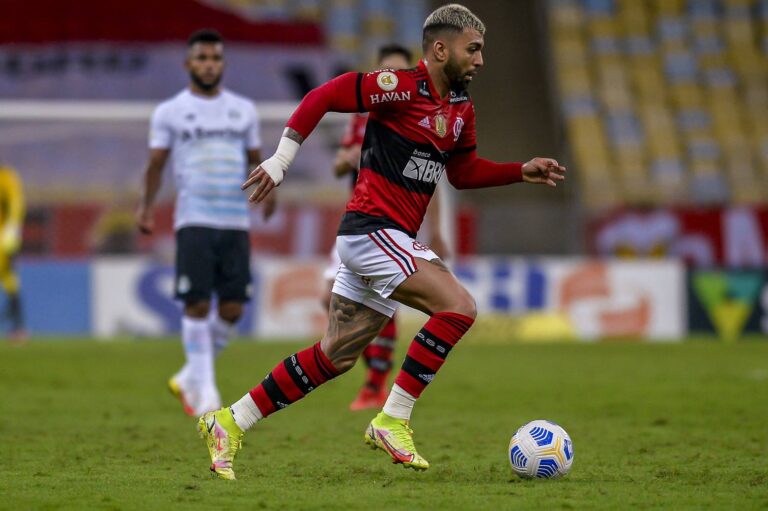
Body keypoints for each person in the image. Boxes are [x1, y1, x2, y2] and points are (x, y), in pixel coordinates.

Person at [200, 4, 565, 480]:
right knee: (459, 307)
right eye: (472, 49)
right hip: (373, 230)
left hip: (385, 240)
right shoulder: (399, 87)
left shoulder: (460, 109)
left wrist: (520, 171)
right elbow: (324, 95)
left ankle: (229, 421)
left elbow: (462, 172)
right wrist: (281, 160)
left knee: (335, 356)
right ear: (440, 48)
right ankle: (393, 418)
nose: (480, 60)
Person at [137, 29, 275, 416]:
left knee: (232, 309)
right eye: (201, 58)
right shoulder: (170, 111)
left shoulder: (243, 109)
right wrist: (146, 206)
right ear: (188, 64)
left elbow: (255, 158)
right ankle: (207, 393)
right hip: (194, 218)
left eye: (215, 58)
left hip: (235, 220)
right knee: (196, 303)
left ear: (223, 64)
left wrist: (271, 191)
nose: (209, 65)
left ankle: (188, 377)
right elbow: (157, 163)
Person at [326, 43, 448, 411]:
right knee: (333, 303)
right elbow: (337, 167)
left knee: (382, 301)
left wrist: (439, 229)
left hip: (392, 225)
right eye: (385, 71)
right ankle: (372, 377)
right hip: (359, 222)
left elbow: (433, 178)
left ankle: (376, 382)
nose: (390, 78)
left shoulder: (416, 116)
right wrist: (347, 159)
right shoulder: (361, 115)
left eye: (398, 70)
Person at [0, 162, 26, 342]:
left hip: (3, 240)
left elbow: (17, 207)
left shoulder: (7, 179)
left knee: (9, 279)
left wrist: (10, 234)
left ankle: (19, 328)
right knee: (10, 280)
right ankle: (18, 327)